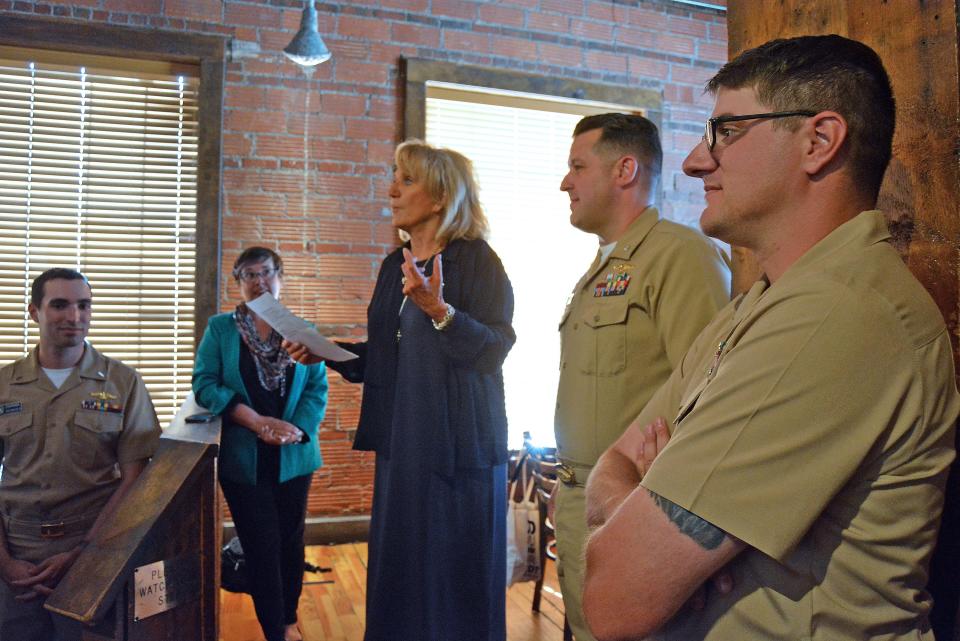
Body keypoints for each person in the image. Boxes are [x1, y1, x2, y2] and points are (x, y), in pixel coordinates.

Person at [581, 34, 960, 641]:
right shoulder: (760, 304)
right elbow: (614, 462)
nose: (695, 161)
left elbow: (615, 598)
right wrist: (640, 501)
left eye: (726, 132)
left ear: (819, 141)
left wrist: (646, 509)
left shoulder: (835, 313)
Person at [286, 140, 515, 641]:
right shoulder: (397, 264)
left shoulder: (477, 261)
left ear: (438, 197)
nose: (391, 190)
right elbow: (392, 355)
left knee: (453, 586)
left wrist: (439, 310)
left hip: (458, 456)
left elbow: (494, 348)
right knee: (402, 581)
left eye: (405, 180)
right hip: (402, 449)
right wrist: (331, 351)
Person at [552, 113, 730, 640]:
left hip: (631, 505)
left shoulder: (680, 257)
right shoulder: (604, 267)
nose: (566, 182)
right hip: (580, 496)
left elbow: (709, 395)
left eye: (578, 166)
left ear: (624, 169)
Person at [0, 268, 161, 641]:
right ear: (34, 312)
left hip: (93, 550)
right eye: (59, 305)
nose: (74, 317)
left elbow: (135, 479)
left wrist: (85, 552)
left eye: (83, 305)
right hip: (16, 551)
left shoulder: (123, 383)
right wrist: (5, 562)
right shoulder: (5, 386)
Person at [193, 247, 328, 641]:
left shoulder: (301, 329)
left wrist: (293, 430)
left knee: (290, 541)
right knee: (261, 545)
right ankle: (274, 630)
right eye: (248, 275)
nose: (258, 281)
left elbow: (316, 389)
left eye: (265, 272)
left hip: (294, 454)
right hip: (243, 456)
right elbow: (205, 384)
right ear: (238, 283)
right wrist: (256, 423)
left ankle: (288, 619)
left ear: (279, 277)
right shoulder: (221, 329)